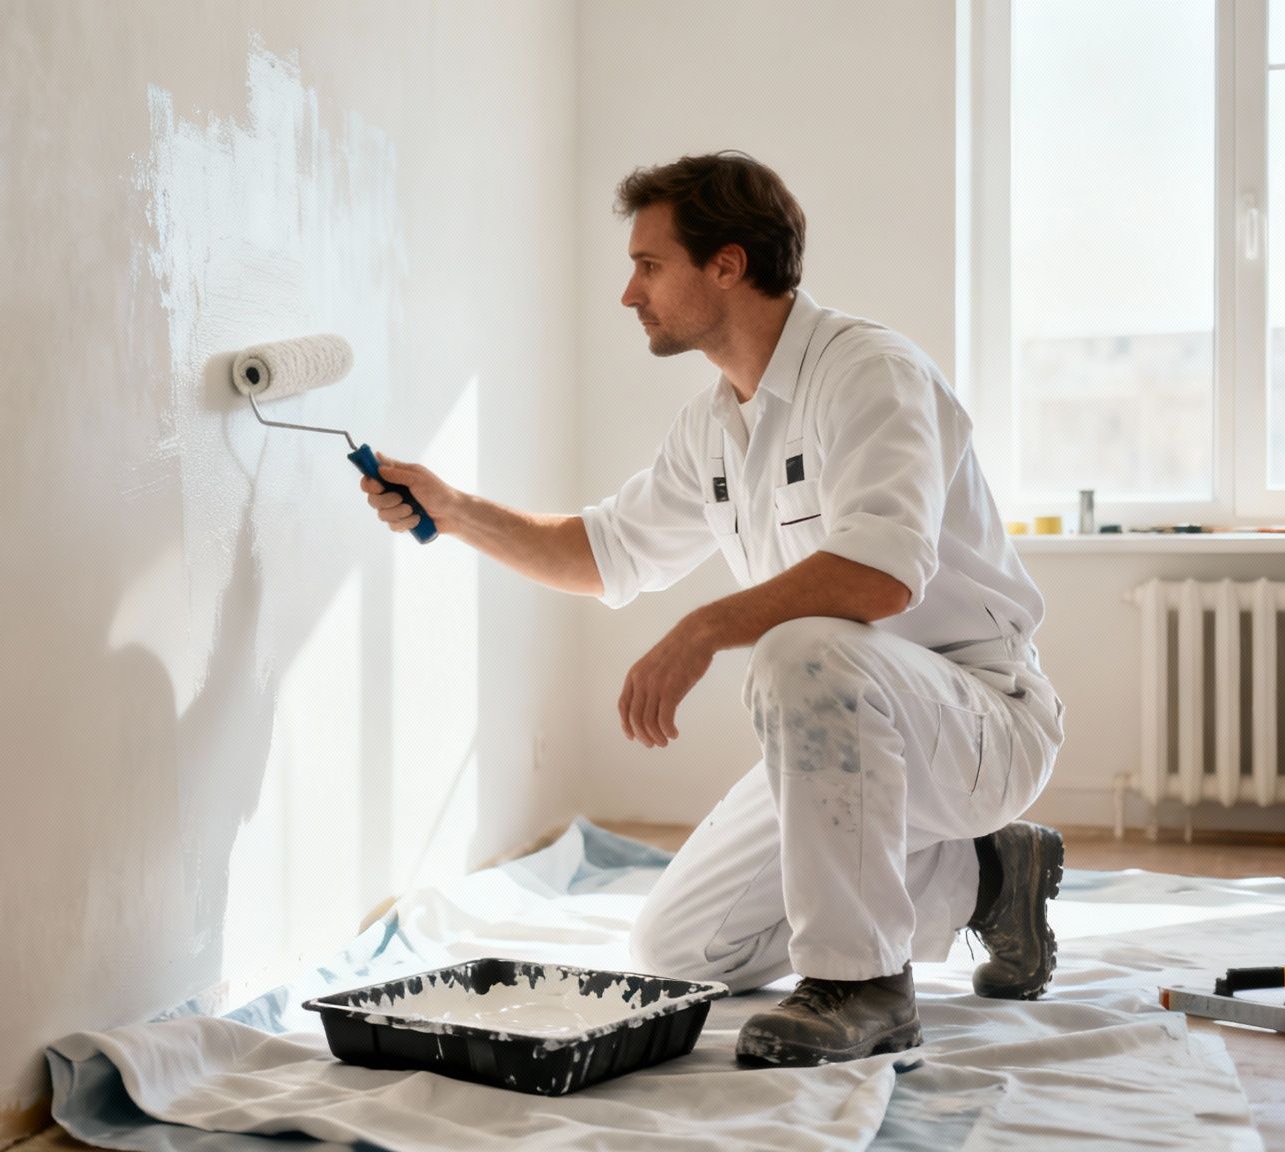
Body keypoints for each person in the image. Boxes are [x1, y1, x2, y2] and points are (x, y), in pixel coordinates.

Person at [357, 151, 1066, 1067]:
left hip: (979, 721)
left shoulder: (871, 374)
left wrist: (700, 630)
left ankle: (863, 986)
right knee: (680, 951)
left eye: (649, 265)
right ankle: (993, 877)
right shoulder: (714, 425)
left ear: (726, 264)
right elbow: (602, 550)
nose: (628, 293)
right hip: (850, 735)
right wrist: (455, 511)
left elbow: (881, 578)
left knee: (803, 646)